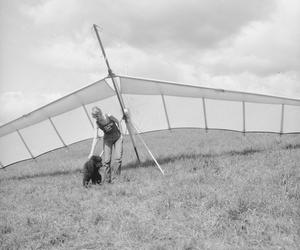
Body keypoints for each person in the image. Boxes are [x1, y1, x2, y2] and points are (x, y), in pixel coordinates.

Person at [88, 106, 123, 183]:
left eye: (97, 116)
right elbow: (95, 138)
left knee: (118, 158)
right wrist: (91, 152)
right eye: (95, 117)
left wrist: (122, 134)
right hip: (107, 140)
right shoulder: (96, 123)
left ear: (100, 113)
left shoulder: (108, 115)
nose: (97, 118)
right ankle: (107, 181)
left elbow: (118, 122)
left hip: (117, 137)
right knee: (106, 161)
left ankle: (116, 180)